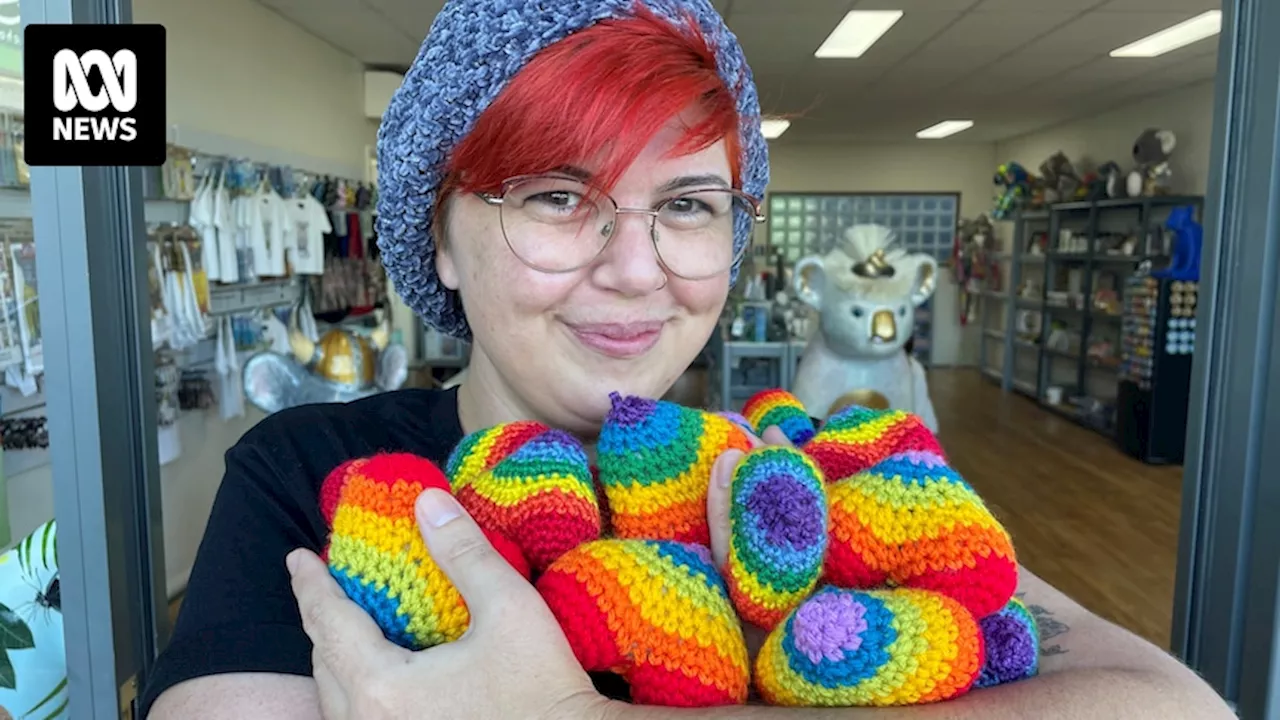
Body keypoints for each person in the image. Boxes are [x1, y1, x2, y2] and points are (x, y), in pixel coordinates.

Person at [142, 1, 1235, 718]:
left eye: (686, 205)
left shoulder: (802, 473)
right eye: (559, 197)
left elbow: (1170, 703)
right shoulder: (317, 479)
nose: (637, 268)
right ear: (437, 235)